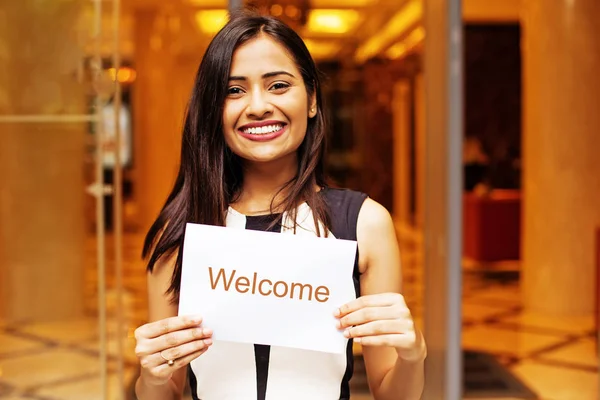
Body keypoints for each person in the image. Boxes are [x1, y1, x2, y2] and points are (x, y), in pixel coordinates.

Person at [133, 10, 426, 400]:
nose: (257, 106)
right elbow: (164, 391)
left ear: (311, 100)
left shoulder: (363, 224)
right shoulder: (183, 233)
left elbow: (392, 395)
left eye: (278, 85)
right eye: (233, 90)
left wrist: (412, 355)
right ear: (213, 111)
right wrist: (151, 377)